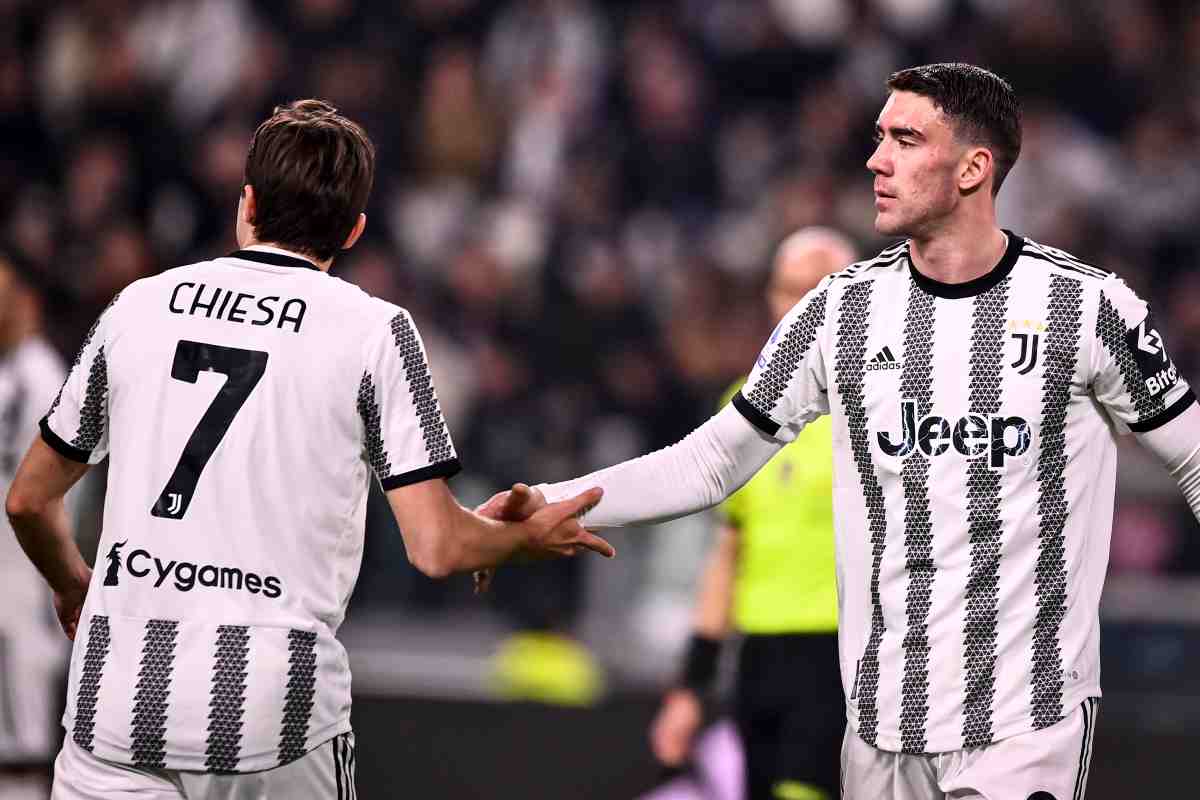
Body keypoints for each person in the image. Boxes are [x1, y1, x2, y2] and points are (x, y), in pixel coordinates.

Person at [480, 63, 1200, 799]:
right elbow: (710, 462)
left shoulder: (1088, 310)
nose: (876, 160)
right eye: (880, 137)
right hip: (879, 727)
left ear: (973, 169)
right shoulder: (839, 312)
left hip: (1024, 721)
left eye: (906, 140)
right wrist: (547, 503)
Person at [5, 99, 610, 800]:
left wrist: (73, 584)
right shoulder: (374, 331)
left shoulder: (137, 306)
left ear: (247, 205)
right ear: (353, 230)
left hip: (116, 700)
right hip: (271, 713)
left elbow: (28, 500)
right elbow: (438, 547)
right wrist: (518, 538)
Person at [648, 228, 856, 800]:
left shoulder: (881, 407)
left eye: (819, 290)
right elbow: (728, 552)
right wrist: (691, 686)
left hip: (843, 654)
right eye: (790, 289)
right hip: (758, 656)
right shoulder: (741, 407)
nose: (801, 306)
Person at [0, 246, 70, 800]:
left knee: (19, 755)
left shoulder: (38, 376)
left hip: (21, 584)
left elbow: (50, 495)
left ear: (26, 298)